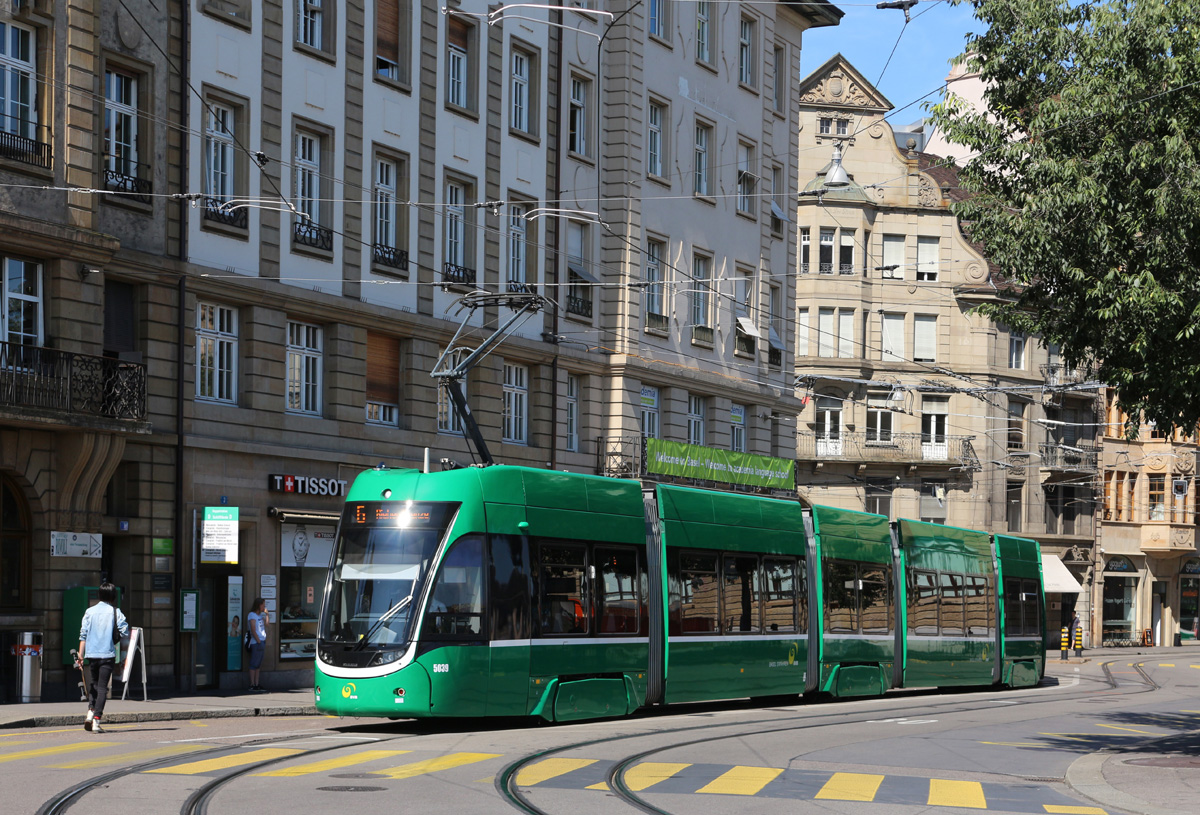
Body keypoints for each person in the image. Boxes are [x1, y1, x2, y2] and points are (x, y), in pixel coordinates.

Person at [76, 582, 129, 733]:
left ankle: (90, 712)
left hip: (91, 654)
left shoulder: (89, 611)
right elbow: (124, 631)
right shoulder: (115, 612)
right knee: (102, 688)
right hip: (107, 654)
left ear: (99, 595)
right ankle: (96, 721)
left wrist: (80, 655)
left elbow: (83, 635)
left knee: (93, 684)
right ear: (113, 596)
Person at [246, 598, 269, 691]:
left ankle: (256, 683)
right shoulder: (252, 615)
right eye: (263, 604)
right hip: (256, 642)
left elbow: (267, 624)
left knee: (258, 664)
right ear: (259, 605)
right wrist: (258, 641)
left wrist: (267, 614)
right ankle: (252, 684)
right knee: (253, 664)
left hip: (262, 640)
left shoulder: (260, 616)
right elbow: (253, 629)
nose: (264, 606)